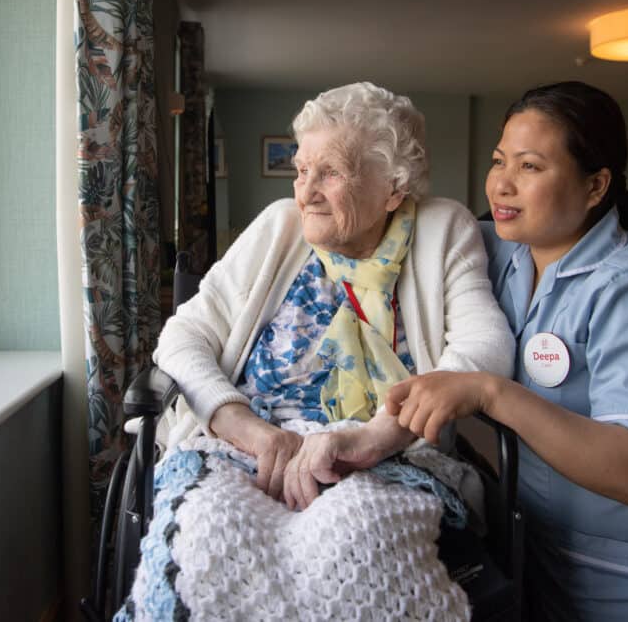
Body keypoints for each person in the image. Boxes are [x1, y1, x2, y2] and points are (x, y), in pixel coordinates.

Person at [118, 82, 515, 620]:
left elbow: (484, 346)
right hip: (243, 449)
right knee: (210, 538)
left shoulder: (443, 228)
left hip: (383, 459)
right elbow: (183, 336)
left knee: (363, 546)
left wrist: (373, 439)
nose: (306, 192)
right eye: (302, 171)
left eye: (330, 173)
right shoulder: (279, 226)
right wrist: (244, 427)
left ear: (393, 188)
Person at [381, 81, 628, 620]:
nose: (501, 184)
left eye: (530, 167)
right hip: (543, 564)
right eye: (499, 160)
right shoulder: (499, 252)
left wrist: (488, 392)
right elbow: (385, 230)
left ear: (596, 185)